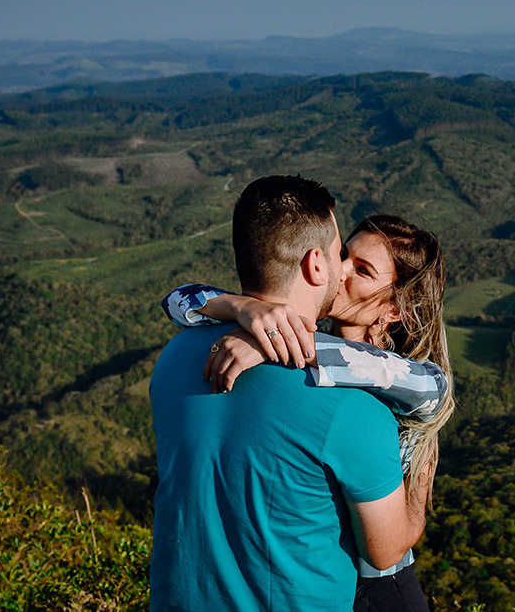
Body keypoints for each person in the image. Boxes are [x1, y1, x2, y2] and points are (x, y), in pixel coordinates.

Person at [149, 176, 429, 612]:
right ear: (317, 264)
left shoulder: (174, 356)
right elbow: (386, 550)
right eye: (341, 255)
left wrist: (241, 312)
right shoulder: (353, 409)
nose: (344, 271)